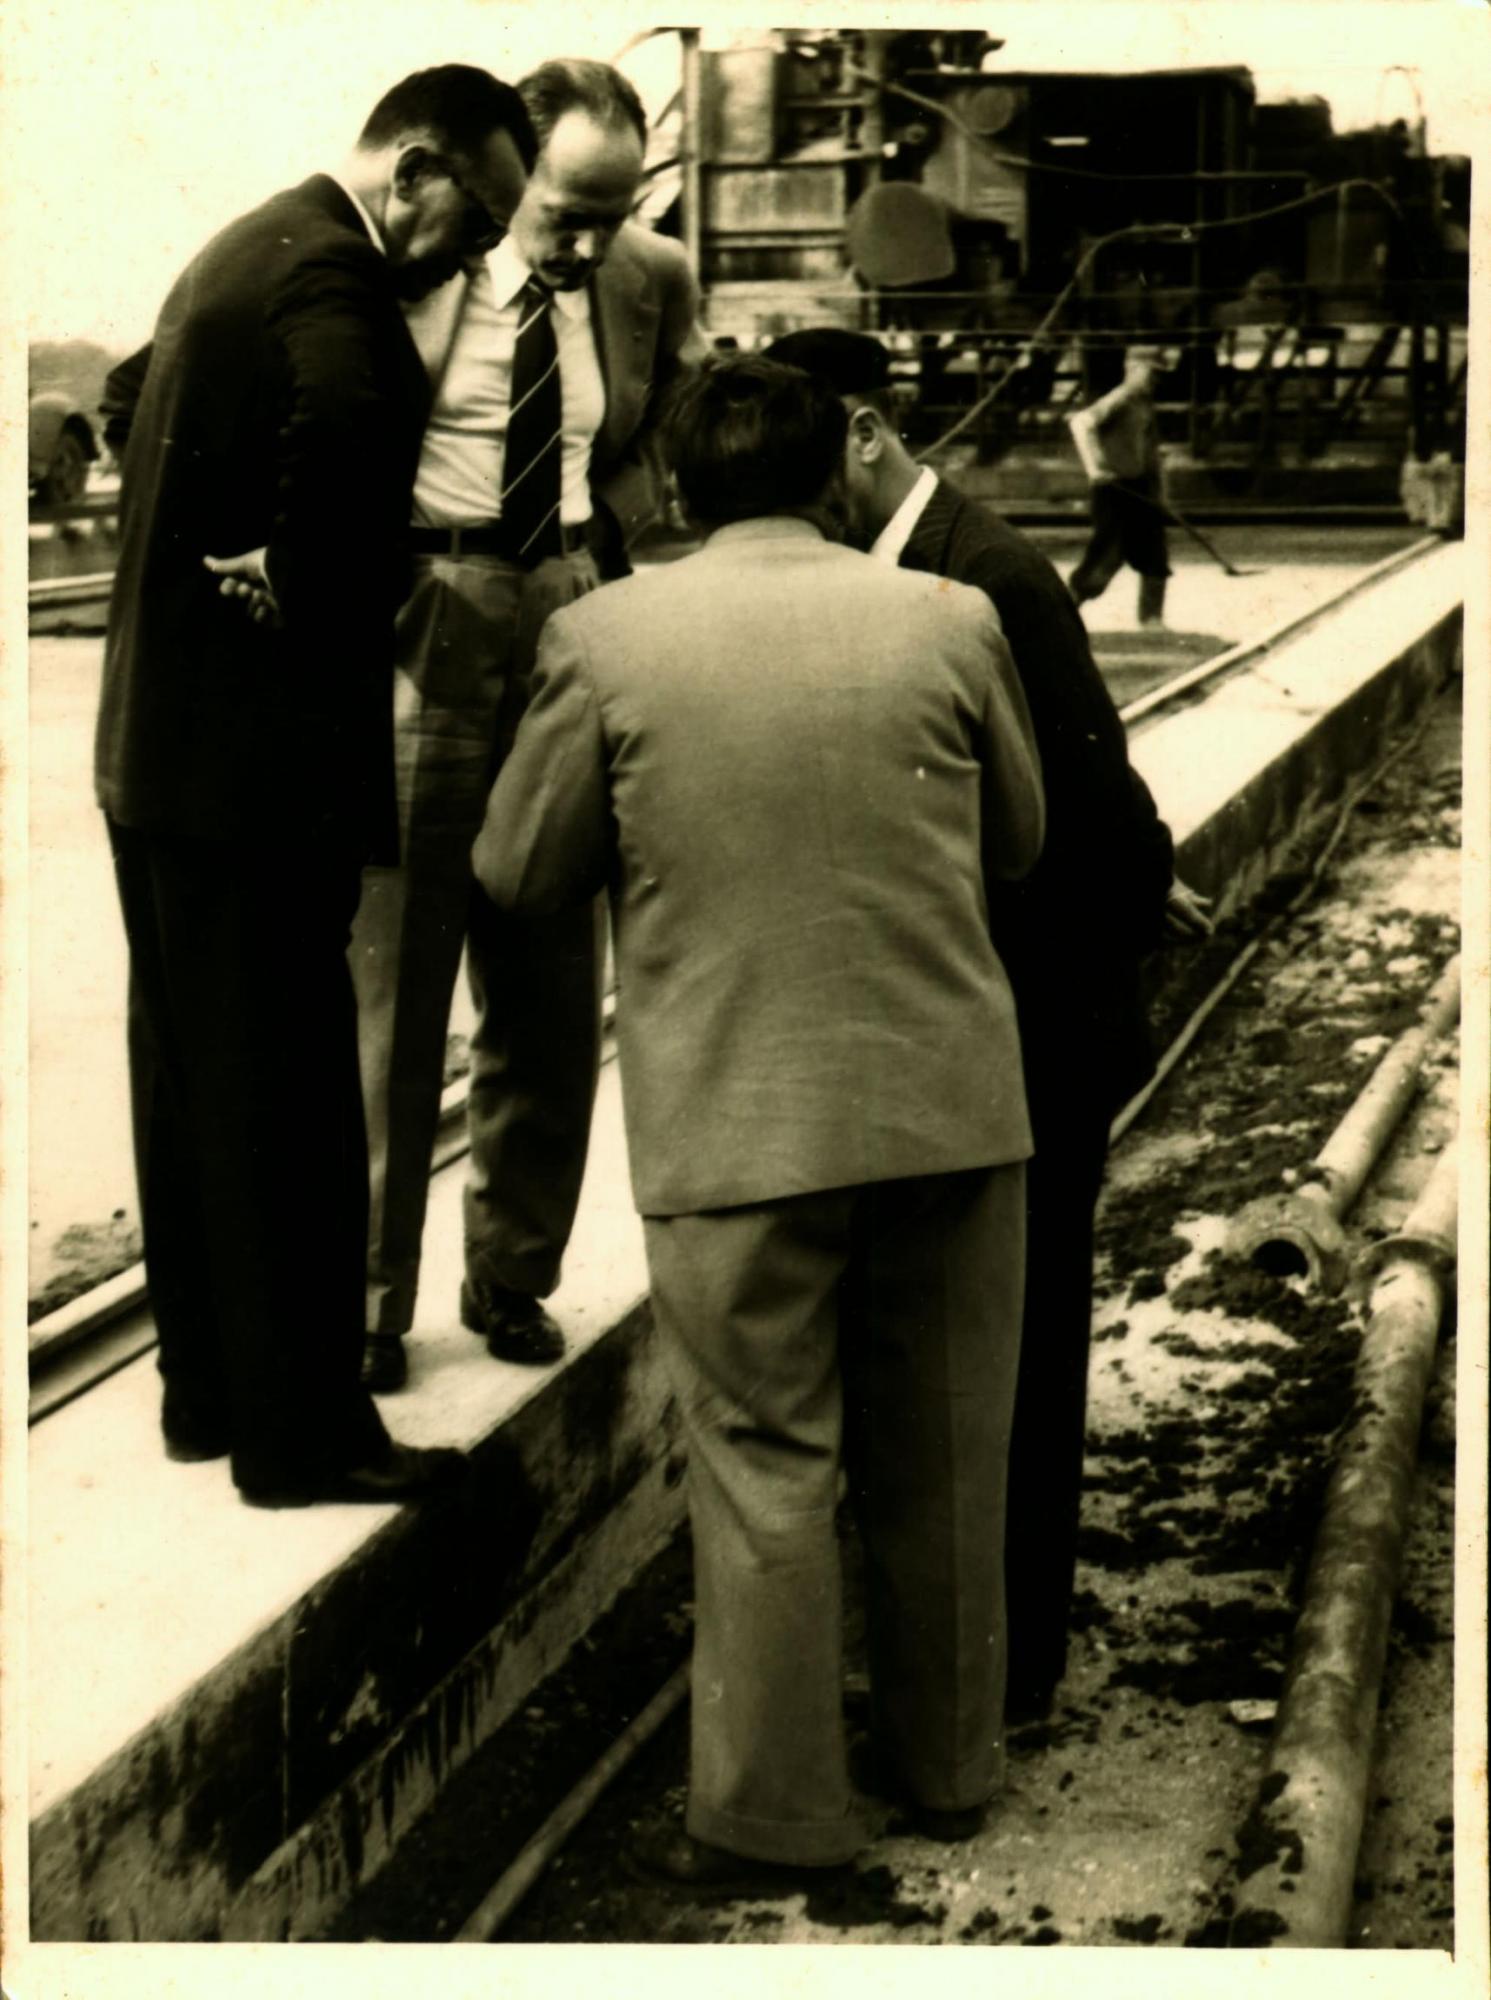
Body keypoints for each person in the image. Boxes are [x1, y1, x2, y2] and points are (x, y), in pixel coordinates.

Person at [473, 356, 1045, 1890]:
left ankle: (777, 1817)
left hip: (732, 1127)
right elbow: (1020, 837)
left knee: (763, 1467)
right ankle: (947, 1773)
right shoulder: (951, 617)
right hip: (948, 1112)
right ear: (826, 478)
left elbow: (517, 873)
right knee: (945, 1460)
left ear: (670, 488)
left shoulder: (601, 638)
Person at [95, 67, 536, 1507]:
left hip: (157, 761)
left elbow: (138, 402)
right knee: (291, 1104)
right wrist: (301, 571)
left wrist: (248, 544)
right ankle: (308, 1441)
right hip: (257, 784)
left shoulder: (242, 247)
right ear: (412, 170)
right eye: (478, 221)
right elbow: (349, 421)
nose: (477, 257)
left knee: (190, 1086)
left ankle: (208, 1398)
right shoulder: (337, 282)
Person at [764, 327, 1211, 1717]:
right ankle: (960, 1649)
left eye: (798, 465)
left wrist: (1140, 879)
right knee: (969, 1351)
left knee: (1018, 1351)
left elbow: (1087, 794)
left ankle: (1012, 1667)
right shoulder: (907, 566)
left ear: (862, 433)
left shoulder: (990, 574)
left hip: (1032, 1029)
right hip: (963, 1026)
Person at [352, 58, 707, 1394]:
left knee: (554, 980)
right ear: (509, 176)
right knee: (394, 984)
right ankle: (367, 1300)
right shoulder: (405, 265)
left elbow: (663, 434)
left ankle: (512, 1274)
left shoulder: (647, 278)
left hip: (566, 615)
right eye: (565, 213)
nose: (588, 244)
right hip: (429, 612)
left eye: (616, 215)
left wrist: (621, 565)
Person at [1066, 344, 1172, 626]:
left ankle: (1152, 621)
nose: (1155, 380)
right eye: (1151, 373)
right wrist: (1094, 468)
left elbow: (1150, 454)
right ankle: (1062, 612)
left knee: (1155, 554)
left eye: (1159, 375)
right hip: (1113, 489)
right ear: (1134, 369)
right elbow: (1080, 423)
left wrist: (1161, 495)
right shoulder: (1120, 398)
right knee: (1107, 556)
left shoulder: (1145, 405)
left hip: (1140, 488)